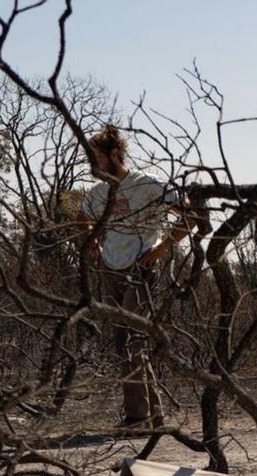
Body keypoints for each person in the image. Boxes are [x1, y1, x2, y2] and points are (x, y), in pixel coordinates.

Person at [79, 125, 193, 428]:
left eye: (97, 158)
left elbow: (189, 215)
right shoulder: (98, 192)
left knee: (127, 340)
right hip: (110, 266)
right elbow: (83, 216)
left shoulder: (147, 184)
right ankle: (153, 416)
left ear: (114, 154)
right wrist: (93, 242)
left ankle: (136, 417)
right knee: (131, 341)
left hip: (141, 267)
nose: (93, 165)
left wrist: (161, 249)